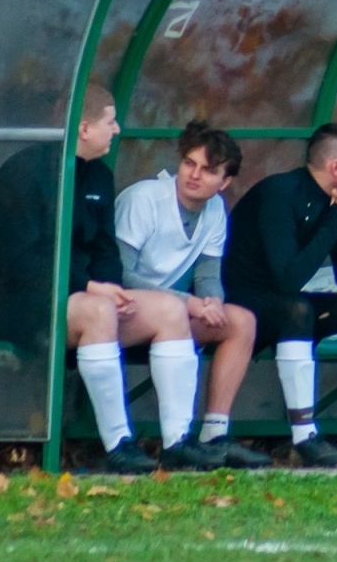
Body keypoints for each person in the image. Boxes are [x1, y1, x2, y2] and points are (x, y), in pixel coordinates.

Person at [0, 84, 216, 473]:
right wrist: (89, 287)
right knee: (98, 311)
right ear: (84, 128)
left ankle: (178, 441)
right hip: (16, 305)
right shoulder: (23, 173)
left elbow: (105, 248)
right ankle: (117, 443)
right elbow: (21, 259)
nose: (117, 129)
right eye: (111, 121)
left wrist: (112, 287)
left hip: (86, 300)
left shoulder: (99, 176)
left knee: (170, 311)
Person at [222, 123, 337, 467]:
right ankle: (304, 435)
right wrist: (336, 218)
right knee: (298, 310)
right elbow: (288, 279)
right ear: (335, 167)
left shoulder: (335, 204)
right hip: (247, 304)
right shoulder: (279, 195)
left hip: (288, 301)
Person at [114, 121, 269, 468]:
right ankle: (175, 441)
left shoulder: (215, 210)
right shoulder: (144, 199)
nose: (194, 175)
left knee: (240, 320)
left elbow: (208, 273)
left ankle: (214, 434)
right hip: (120, 313)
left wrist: (212, 301)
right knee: (172, 309)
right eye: (189, 163)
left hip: (168, 315)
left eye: (208, 170)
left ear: (225, 182)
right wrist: (190, 303)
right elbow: (120, 275)